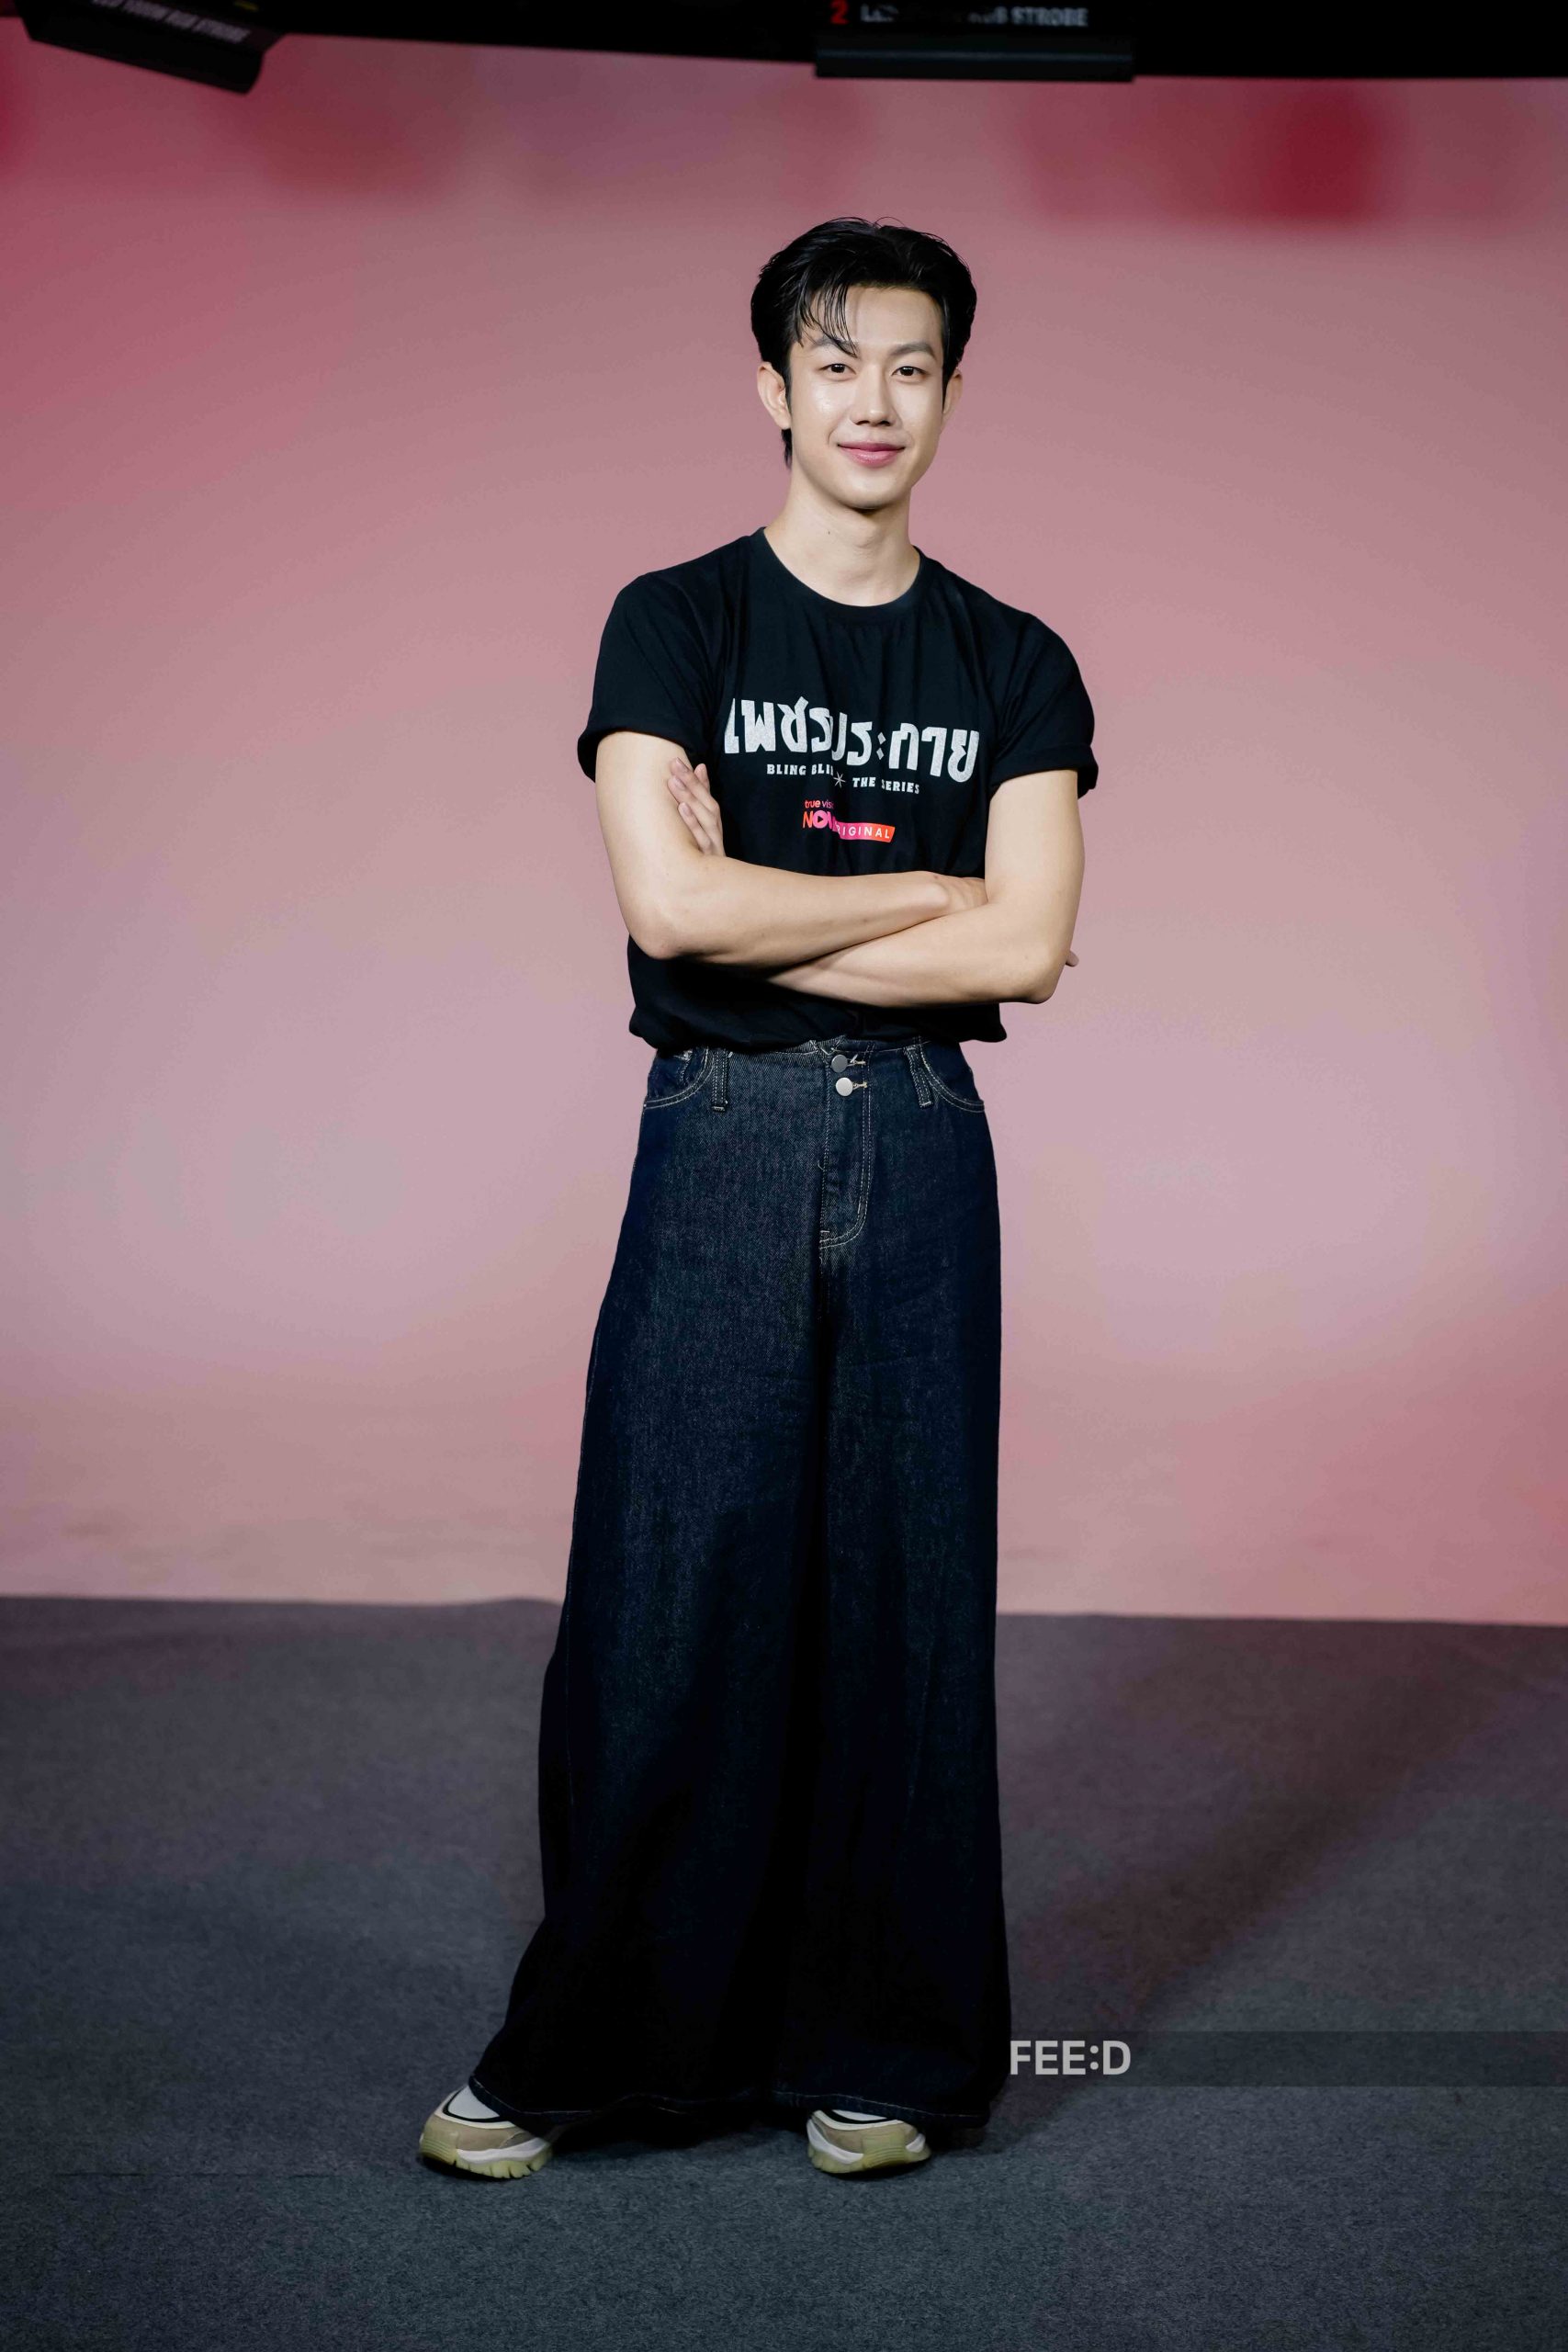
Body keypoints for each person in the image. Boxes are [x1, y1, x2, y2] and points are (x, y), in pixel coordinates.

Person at [419, 214, 1096, 2183]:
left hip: (924, 1141)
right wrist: (932, 885)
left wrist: (785, 903)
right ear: (773, 388)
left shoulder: (1015, 659)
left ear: (950, 395)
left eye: (910, 366)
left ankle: (886, 2052)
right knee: (668, 1589)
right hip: (720, 1128)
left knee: (902, 1600)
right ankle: (598, 2048)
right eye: (834, 362)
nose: (872, 400)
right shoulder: (676, 621)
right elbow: (668, 913)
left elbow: (1030, 954)